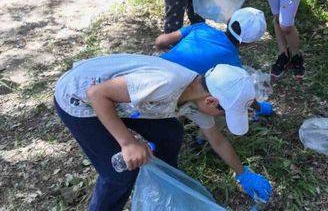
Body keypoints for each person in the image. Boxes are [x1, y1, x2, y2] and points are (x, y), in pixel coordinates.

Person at [54, 55, 272, 211]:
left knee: (170, 131)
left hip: (120, 101)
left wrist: (243, 173)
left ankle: (166, 180)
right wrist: (128, 143)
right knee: (119, 174)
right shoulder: (164, 84)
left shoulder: (196, 97)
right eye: (224, 113)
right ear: (211, 101)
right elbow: (97, 93)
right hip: (81, 100)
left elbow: (217, 139)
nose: (221, 118)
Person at [155, 7, 273, 119]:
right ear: (251, 44)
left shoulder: (201, 28)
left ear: (229, 20)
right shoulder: (233, 65)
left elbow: (160, 42)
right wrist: (260, 107)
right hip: (171, 97)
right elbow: (243, 94)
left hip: (151, 72)